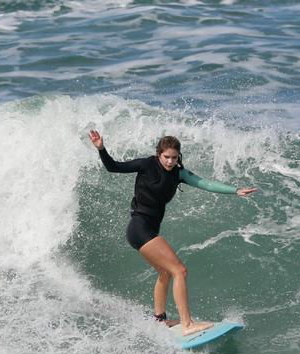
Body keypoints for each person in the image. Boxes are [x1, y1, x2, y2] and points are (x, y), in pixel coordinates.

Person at [89, 130, 257, 336]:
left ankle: (160, 319)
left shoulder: (179, 174)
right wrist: (101, 149)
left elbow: (205, 184)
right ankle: (187, 324)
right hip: (139, 227)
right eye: (166, 157)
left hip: (149, 229)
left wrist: (235, 190)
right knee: (180, 271)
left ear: (178, 157)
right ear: (158, 154)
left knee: (166, 272)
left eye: (174, 158)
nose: (169, 161)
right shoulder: (146, 164)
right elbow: (113, 167)